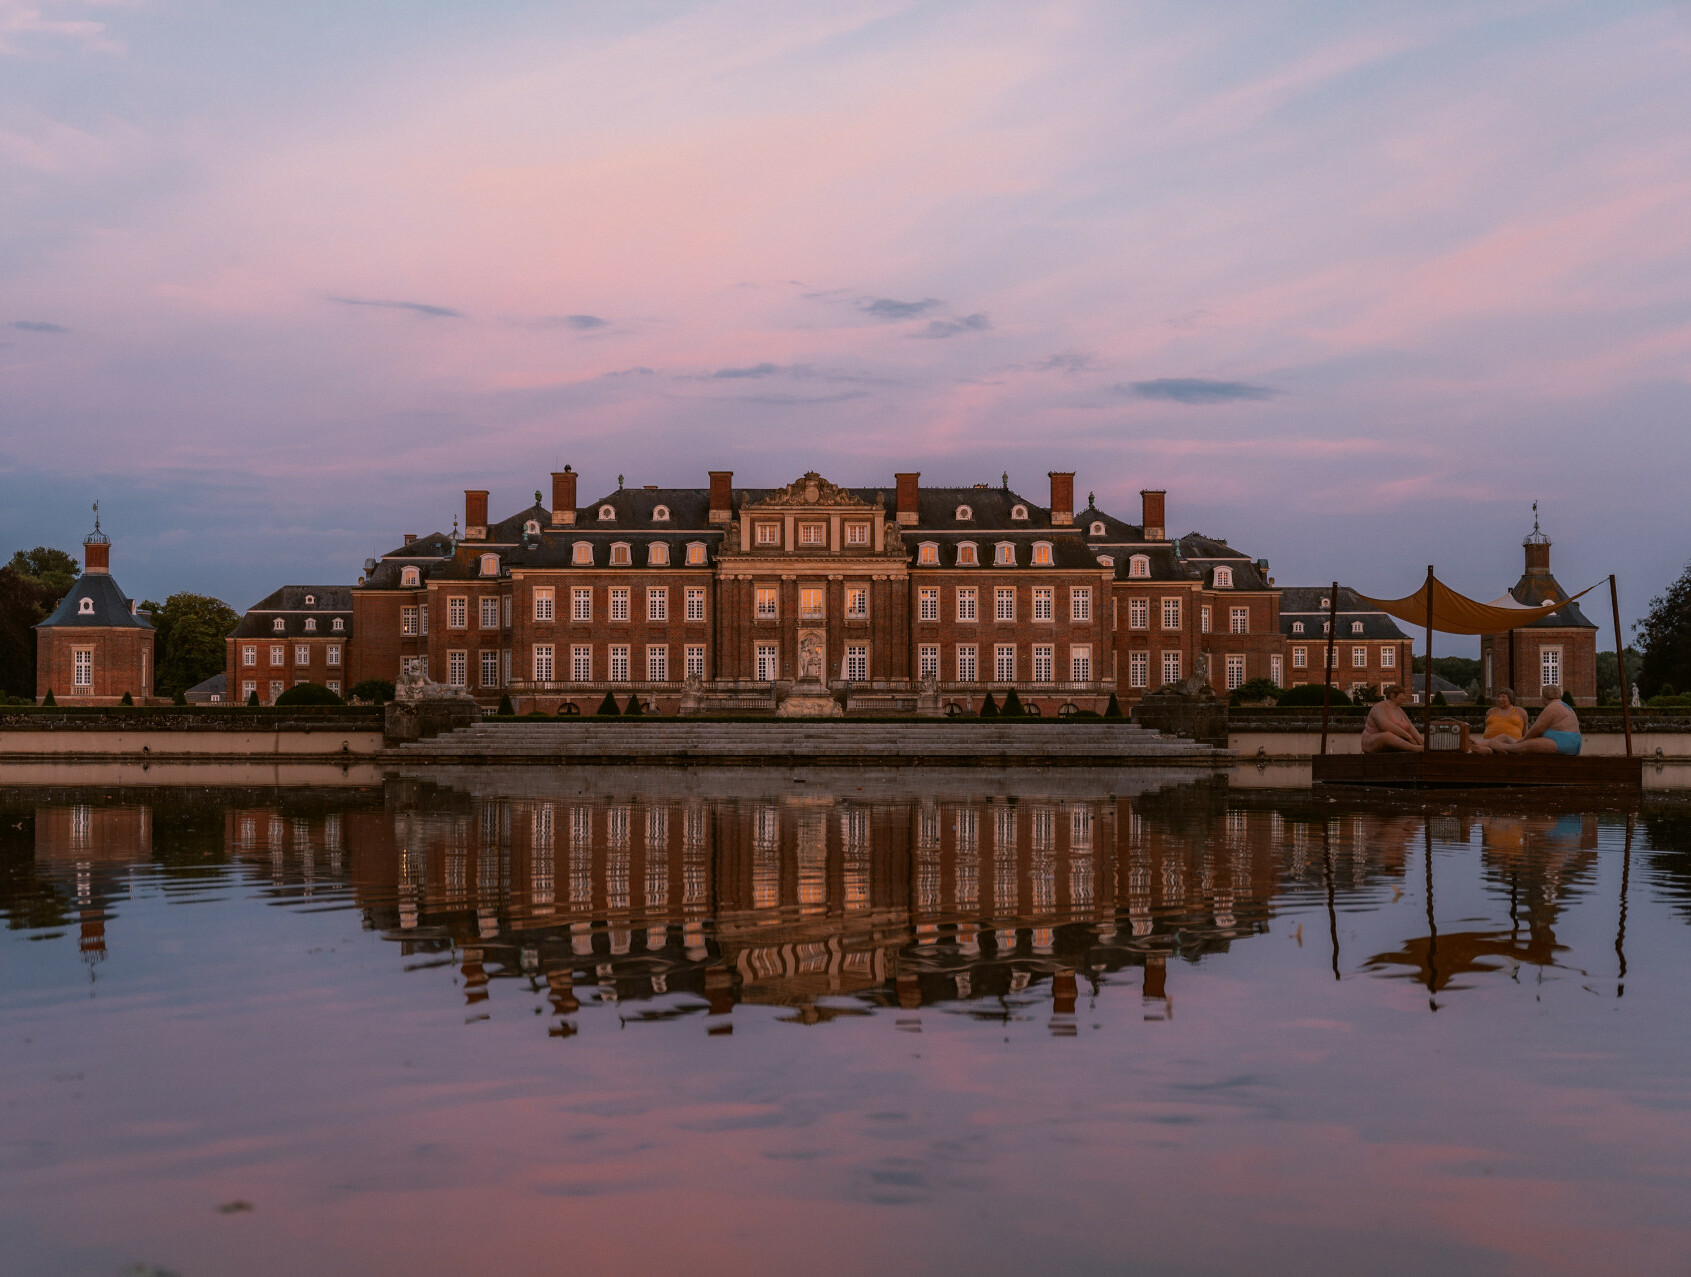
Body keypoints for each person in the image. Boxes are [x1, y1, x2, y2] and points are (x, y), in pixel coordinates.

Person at [1492, 686, 1581, 755]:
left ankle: (1504, 747)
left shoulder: (1552, 707)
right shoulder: (1565, 706)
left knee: (1529, 745)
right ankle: (1508, 744)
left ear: (1546, 696)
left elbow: (1537, 729)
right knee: (1525, 743)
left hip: (1563, 744)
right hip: (1573, 743)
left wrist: (1523, 740)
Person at [1361, 684, 1424, 753]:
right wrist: (1408, 737)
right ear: (1393, 696)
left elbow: (1410, 727)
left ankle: (1419, 747)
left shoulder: (1399, 709)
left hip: (1395, 743)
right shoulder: (1379, 707)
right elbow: (1385, 726)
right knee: (1387, 736)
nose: (1405, 698)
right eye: (1402, 694)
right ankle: (1415, 748)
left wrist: (1421, 741)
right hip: (1371, 742)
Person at [1467, 688, 1528, 754]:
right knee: (1491, 747)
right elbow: (1487, 728)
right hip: (1490, 743)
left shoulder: (1520, 712)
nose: (1500, 699)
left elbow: (1525, 733)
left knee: (1503, 737)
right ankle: (1488, 750)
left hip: (1512, 744)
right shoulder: (1490, 711)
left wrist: (1524, 746)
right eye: (1499, 697)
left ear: (1510, 698)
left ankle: (1479, 744)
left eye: (1503, 697)